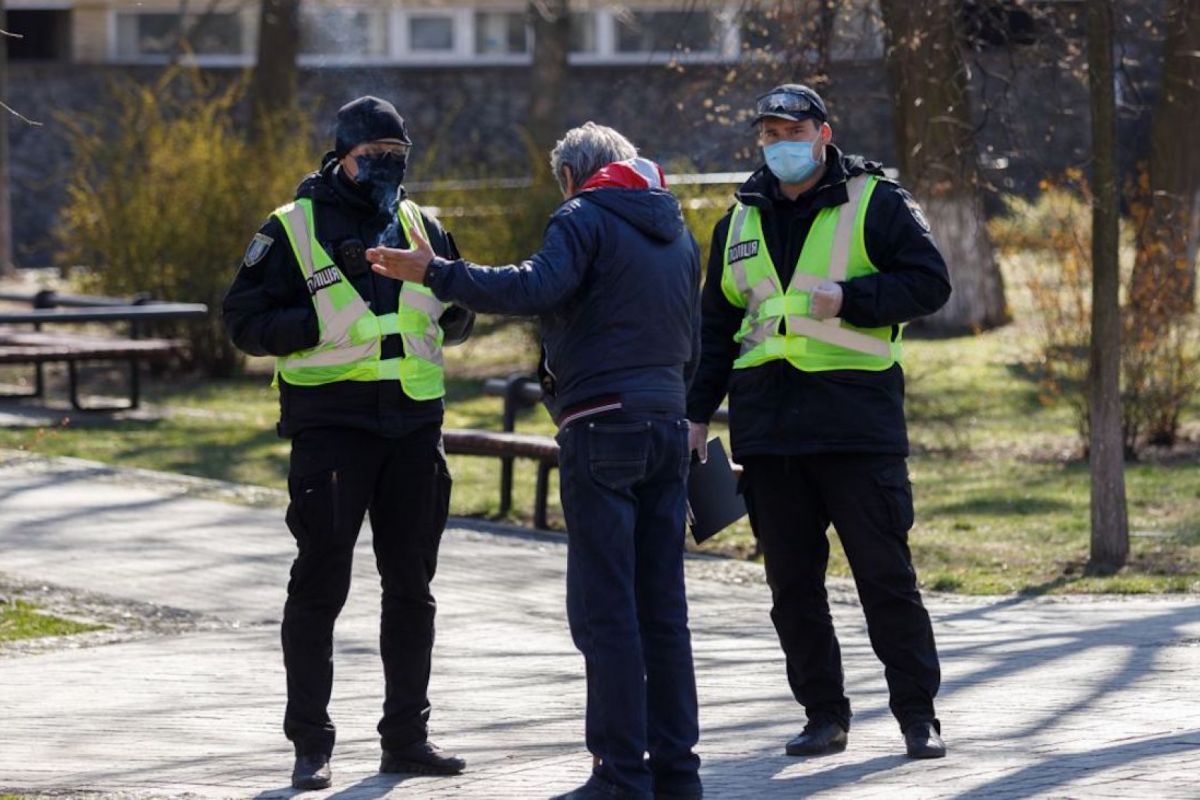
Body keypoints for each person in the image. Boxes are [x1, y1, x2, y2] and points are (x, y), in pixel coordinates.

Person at [367, 122, 703, 800]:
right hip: (666, 421)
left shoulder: (583, 217)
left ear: (576, 177)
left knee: (604, 610)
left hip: (602, 425)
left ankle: (619, 776)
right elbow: (688, 334)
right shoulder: (676, 228)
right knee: (662, 610)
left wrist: (436, 272)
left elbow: (532, 288)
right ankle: (677, 773)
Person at [685, 84, 952, 760]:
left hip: (855, 428)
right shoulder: (737, 221)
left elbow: (930, 283)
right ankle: (823, 715)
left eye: (792, 131)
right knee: (792, 589)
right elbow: (717, 329)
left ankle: (918, 716)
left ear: (823, 133)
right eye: (769, 135)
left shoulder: (876, 202)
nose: (780, 145)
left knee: (885, 578)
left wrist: (852, 299)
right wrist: (693, 415)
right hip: (770, 433)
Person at [222, 95, 474, 791]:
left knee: (412, 589)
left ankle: (407, 739)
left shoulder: (424, 225)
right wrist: (312, 327)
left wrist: (452, 312)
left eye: (398, 159)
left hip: (414, 427)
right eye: (374, 159)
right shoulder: (291, 227)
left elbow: (459, 316)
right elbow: (241, 320)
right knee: (320, 585)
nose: (387, 171)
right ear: (340, 158)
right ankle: (310, 743)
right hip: (332, 429)